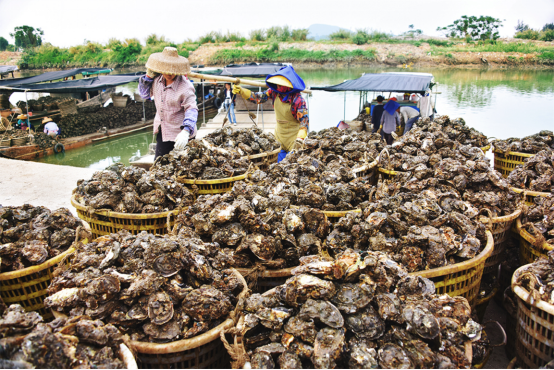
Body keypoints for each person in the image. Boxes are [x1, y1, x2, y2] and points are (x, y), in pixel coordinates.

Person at [232, 65, 308, 163]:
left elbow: (304, 121)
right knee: (276, 166)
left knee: (291, 166)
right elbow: (258, 98)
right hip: (279, 136)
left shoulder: (298, 100)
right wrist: (242, 91)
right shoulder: (274, 92)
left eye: (281, 84)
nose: (278, 86)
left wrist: (300, 138)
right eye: (277, 84)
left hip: (293, 138)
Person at [138, 47, 198, 159]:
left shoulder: (185, 87)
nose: (169, 73)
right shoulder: (156, 81)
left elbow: (192, 109)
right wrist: (147, 78)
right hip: (164, 130)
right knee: (159, 165)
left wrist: (186, 131)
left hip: (181, 133)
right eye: (166, 70)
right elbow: (144, 95)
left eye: (172, 70)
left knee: (185, 166)